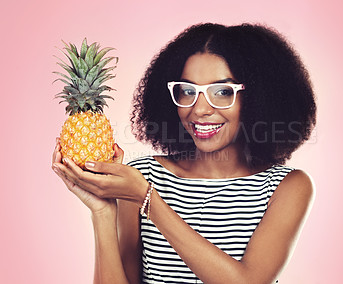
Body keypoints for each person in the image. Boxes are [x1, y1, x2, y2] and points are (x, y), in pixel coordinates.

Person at [52, 23, 317, 284]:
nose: (199, 109)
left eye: (223, 92)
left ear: (260, 97)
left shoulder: (287, 187)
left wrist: (148, 200)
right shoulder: (142, 176)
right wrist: (103, 212)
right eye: (188, 91)